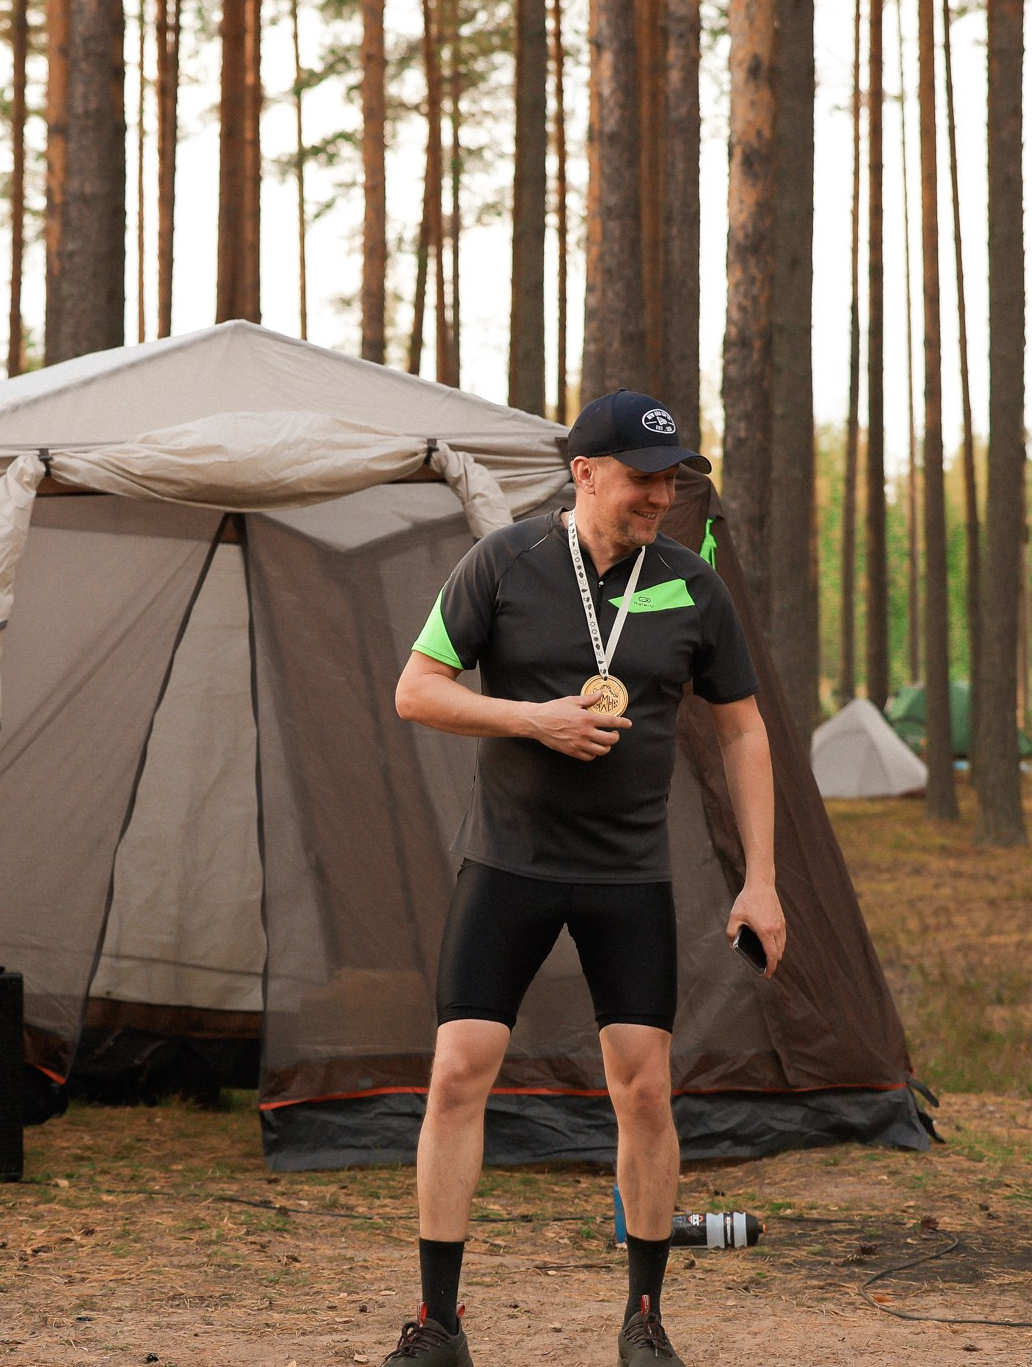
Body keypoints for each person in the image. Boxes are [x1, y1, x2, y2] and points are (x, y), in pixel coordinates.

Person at [382, 390, 785, 1367]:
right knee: (456, 1072)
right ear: (585, 473)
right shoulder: (505, 562)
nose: (660, 495)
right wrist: (534, 718)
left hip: (628, 873)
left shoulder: (690, 585)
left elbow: (742, 728)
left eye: (670, 480)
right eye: (643, 478)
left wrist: (762, 879)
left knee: (644, 1089)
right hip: (510, 862)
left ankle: (643, 1319)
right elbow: (416, 690)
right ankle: (441, 1325)